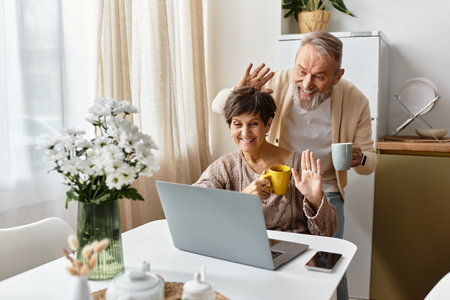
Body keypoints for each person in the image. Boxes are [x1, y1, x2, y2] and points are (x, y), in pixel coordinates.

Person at [211, 31, 377, 300]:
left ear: (337, 75)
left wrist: (362, 158)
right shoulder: (280, 81)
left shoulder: (356, 101)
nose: (307, 83)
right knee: (273, 255)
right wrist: (238, 90)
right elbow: (224, 109)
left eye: (320, 76)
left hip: (325, 186)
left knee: (329, 261)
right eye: (302, 71)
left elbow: (371, 160)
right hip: (282, 177)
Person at [195, 87, 337, 236]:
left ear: (268, 124)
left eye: (253, 124)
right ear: (230, 126)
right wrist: (241, 201)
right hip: (244, 250)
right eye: (237, 124)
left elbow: (327, 233)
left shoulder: (300, 165)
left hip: (293, 250)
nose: (245, 133)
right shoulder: (224, 167)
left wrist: (315, 200)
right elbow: (195, 208)